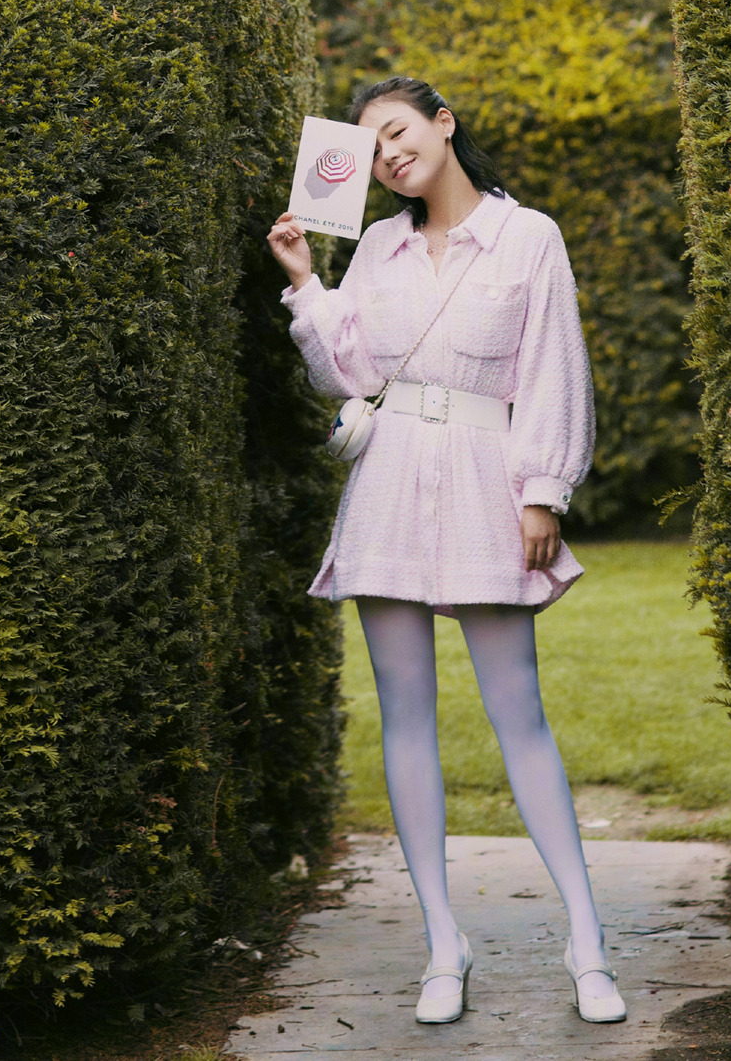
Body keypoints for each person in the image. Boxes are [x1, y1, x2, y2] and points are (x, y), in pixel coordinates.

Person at [267, 77, 625, 1026]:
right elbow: (345, 373)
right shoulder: (378, 245)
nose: (388, 152)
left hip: (485, 478)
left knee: (521, 714)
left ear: (443, 124)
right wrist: (307, 279)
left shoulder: (528, 236)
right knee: (406, 717)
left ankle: (587, 939)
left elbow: (555, 364)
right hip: (388, 484)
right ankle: (441, 941)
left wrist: (543, 488)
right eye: (372, 144)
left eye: (399, 130)